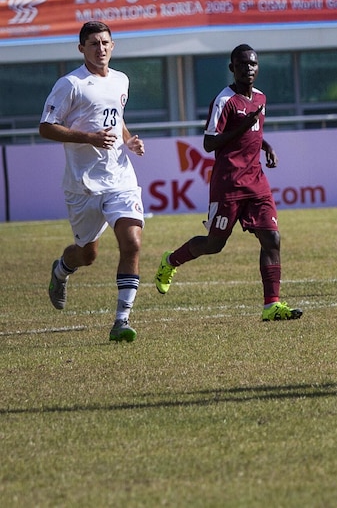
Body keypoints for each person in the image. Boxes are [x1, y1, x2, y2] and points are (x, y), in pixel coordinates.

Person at [154, 44, 303, 323]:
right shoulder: (224, 101)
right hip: (229, 183)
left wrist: (266, 146)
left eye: (253, 64)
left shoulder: (260, 97)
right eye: (243, 64)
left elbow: (254, 132)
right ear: (232, 68)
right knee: (214, 244)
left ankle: (272, 305)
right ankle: (170, 261)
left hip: (257, 180)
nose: (249, 69)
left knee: (272, 238)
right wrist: (243, 126)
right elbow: (209, 143)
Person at [41, 20, 146, 343]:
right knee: (87, 254)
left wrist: (128, 141)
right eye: (93, 44)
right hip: (84, 183)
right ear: (81, 48)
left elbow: (116, 116)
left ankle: (121, 320)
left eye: (105, 43)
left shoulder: (121, 79)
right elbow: (46, 126)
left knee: (132, 242)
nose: (100, 49)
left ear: (112, 46)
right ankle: (61, 269)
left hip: (120, 177)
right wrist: (87, 137)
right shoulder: (70, 84)